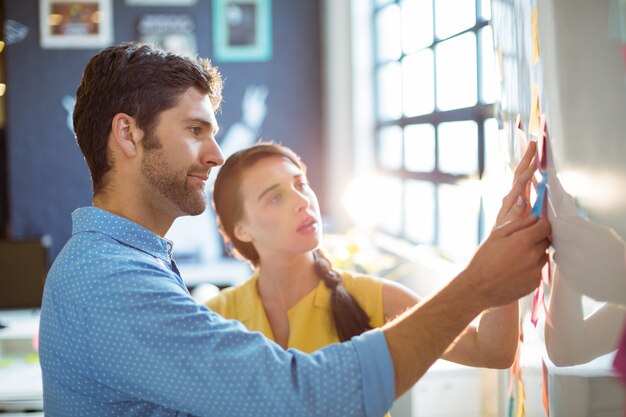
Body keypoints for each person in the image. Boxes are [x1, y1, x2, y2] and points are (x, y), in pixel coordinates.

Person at [39, 42, 551, 417]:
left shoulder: (124, 267)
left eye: (301, 184)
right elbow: (300, 397)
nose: (216, 155)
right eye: (195, 130)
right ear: (127, 134)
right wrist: (480, 283)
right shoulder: (109, 282)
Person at [208, 142, 521, 375]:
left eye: (301, 184)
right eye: (275, 197)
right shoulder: (214, 318)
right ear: (242, 230)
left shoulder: (372, 297)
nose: (302, 201)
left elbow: (490, 351)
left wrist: (506, 253)